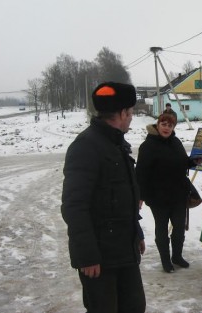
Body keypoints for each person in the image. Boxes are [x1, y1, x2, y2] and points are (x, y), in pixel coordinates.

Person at [61, 82, 146, 313]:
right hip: (99, 258)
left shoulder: (117, 144)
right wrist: (87, 256)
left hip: (124, 250)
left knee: (135, 307)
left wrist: (136, 233)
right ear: (122, 113)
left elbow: (122, 198)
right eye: (130, 113)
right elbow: (74, 206)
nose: (131, 118)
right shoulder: (86, 147)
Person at [136, 113, 201, 273]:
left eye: (170, 125)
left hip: (178, 194)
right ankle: (166, 260)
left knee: (179, 228)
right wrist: (140, 196)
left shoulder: (176, 142)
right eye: (164, 124)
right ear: (158, 125)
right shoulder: (148, 146)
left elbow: (183, 161)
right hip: (158, 197)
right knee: (162, 229)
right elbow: (141, 173)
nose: (166, 128)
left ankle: (177, 256)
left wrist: (193, 162)